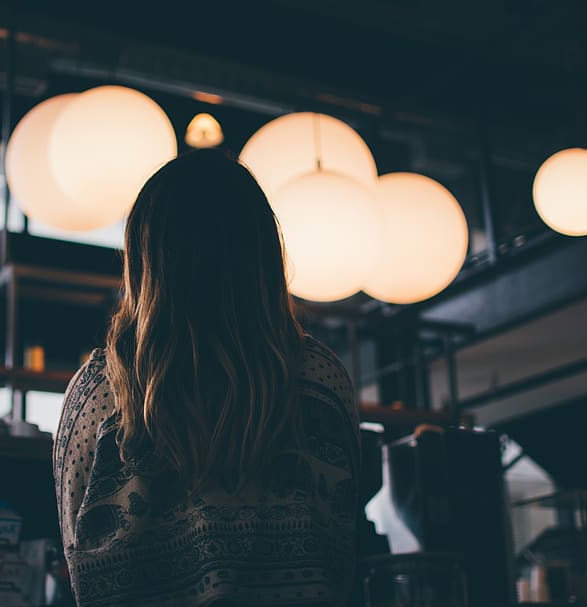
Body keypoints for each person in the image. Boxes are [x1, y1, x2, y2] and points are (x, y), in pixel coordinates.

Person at [53, 149, 360, 607]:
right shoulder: (320, 380)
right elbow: (346, 547)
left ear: (144, 259)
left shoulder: (98, 392)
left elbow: (77, 553)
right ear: (263, 255)